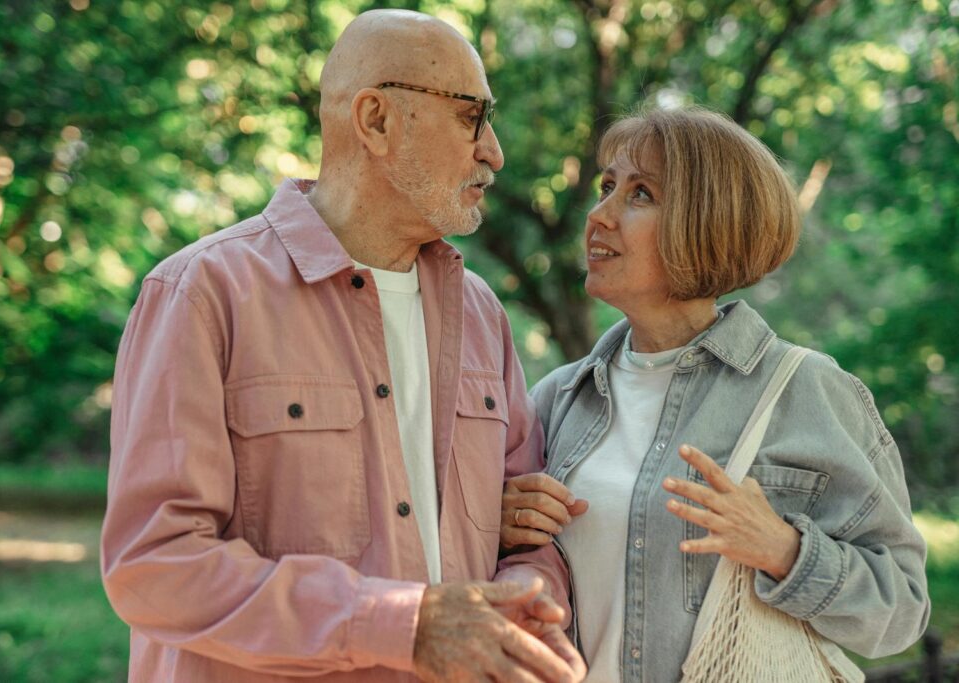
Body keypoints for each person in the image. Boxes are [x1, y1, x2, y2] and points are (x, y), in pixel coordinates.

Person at [100, 9, 584, 683]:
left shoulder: (482, 314)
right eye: (472, 116)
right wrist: (402, 624)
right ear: (377, 119)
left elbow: (530, 538)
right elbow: (155, 565)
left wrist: (530, 600)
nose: (493, 151)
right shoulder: (203, 292)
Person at [497, 107, 930, 682]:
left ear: (708, 224)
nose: (599, 216)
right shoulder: (559, 398)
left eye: (640, 194)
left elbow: (900, 610)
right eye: (607, 187)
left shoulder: (806, 389)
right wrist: (498, 528)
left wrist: (783, 550)